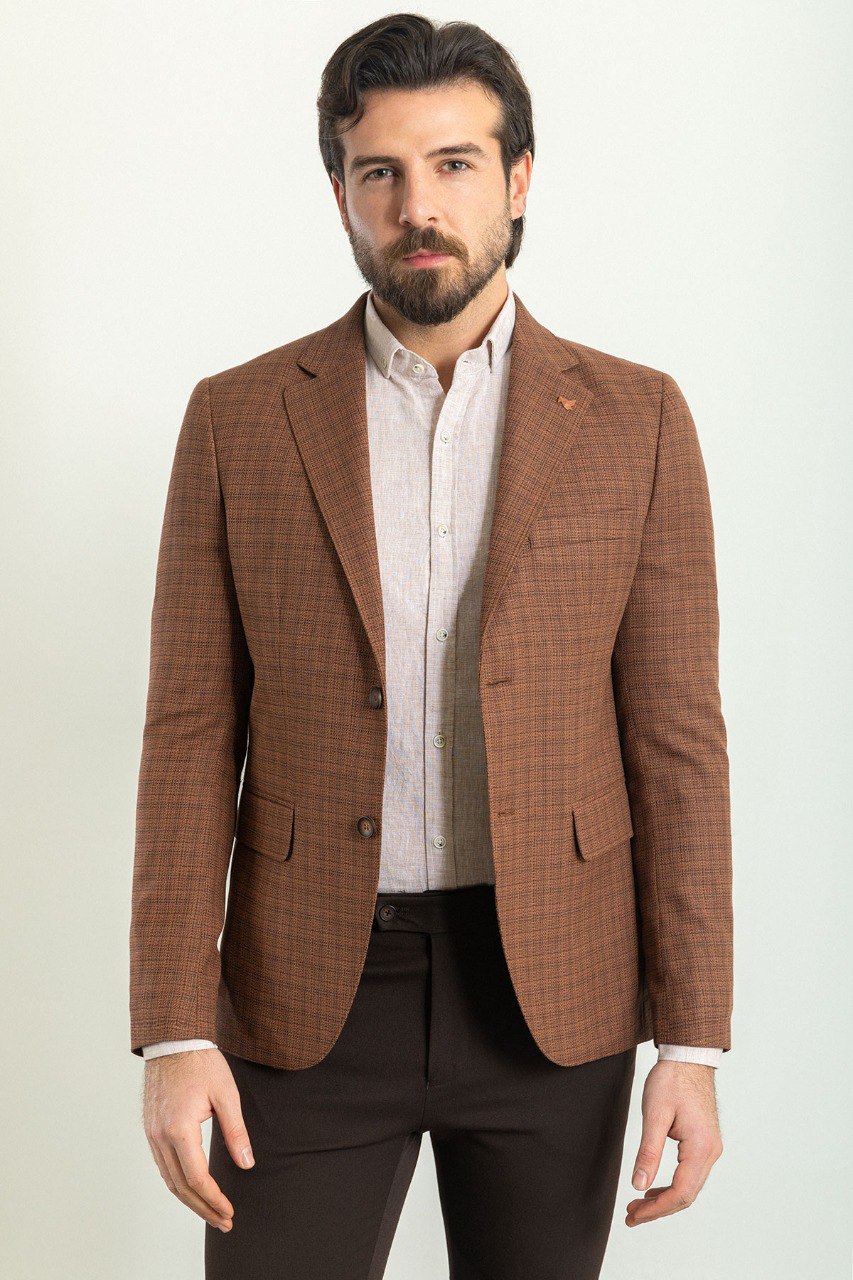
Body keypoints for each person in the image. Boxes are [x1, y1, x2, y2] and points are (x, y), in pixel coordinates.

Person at [130, 15, 733, 1279]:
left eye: (454, 164)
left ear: (518, 179)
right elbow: (190, 734)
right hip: (302, 993)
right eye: (381, 172)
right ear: (339, 192)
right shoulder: (239, 420)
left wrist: (691, 1041)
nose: (419, 207)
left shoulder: (637, 420)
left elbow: (677, 744)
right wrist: (175, 1027)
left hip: (553, 993)